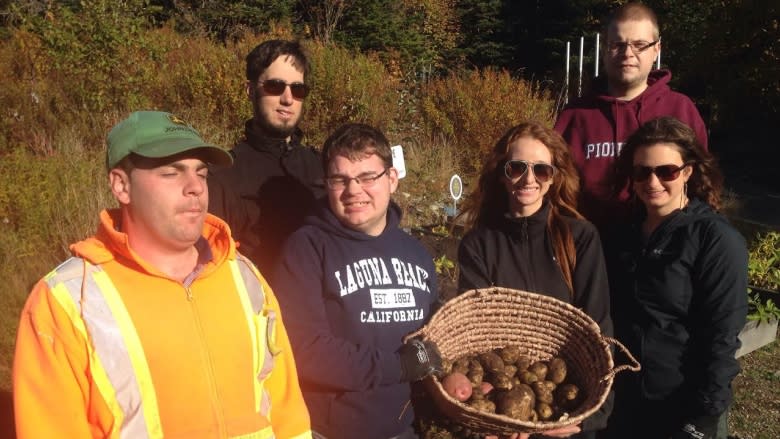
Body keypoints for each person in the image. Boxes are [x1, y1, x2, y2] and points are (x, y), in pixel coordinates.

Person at [13, 111, 312, 439]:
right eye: (172, 173)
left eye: (201, 172)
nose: (195, 187)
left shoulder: (244, 277)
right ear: (121, 185)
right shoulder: (67, 301)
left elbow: (287, 414)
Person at [273, 123, 442, 439]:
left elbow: (434, 337)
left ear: (391, 179)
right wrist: (397, 367)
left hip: (404, 430)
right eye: (340, 179)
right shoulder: (306, 248)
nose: (353, 190)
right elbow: (302, 347)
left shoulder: (417, 254)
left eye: (367, 177)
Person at [456, 121, 613, 439]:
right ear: (502, 173)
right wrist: (493, 416)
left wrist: (591, 417)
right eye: (517, 168)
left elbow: (600, 329)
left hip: (568, 417)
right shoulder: (479, 244)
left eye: (541, 170)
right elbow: (476, 333)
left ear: (554, 177)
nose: (529, 179)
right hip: (503, 412)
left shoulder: (579, 238)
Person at [602, 116, 747, 439]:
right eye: (642, 172)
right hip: (622, 402)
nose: (652, 182)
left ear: (688, 172)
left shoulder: (715, 239)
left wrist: (705, 417)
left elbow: (722, 338)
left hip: (680, 406)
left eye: (666, 171)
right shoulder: (622, 235)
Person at [554, 2, 708, 233]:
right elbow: (555, 189)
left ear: (656, 49)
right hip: (590, 252)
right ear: (605, 48)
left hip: (664, 251)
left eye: (639, 45)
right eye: (618, 44)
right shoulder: (575, 116)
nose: (628, 54)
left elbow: (701, 187)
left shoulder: (680, 110)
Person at [208, 39, 325, 279]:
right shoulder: (223, 175)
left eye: (298, 89)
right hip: (261, 311)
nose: (288, 99)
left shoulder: (322, 167)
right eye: (275, 86)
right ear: (250, 90)